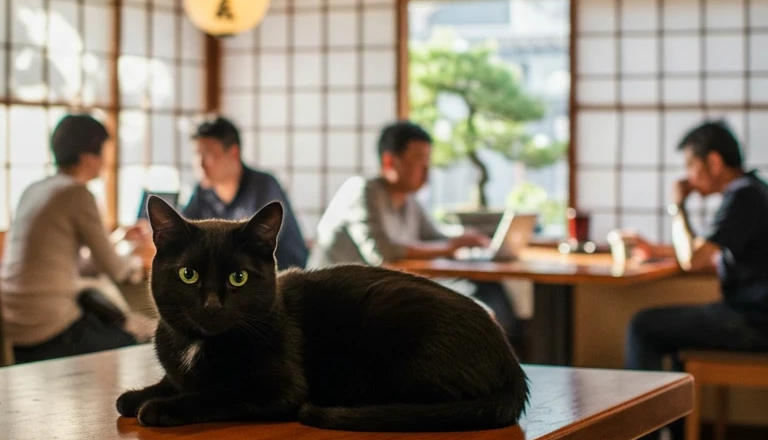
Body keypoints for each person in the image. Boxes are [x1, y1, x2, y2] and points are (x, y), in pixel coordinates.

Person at [618, 120, 768, 440]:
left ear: (714, 162)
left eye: (691, 164)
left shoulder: (744, 197)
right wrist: (656, 250)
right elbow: (705, 252)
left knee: (643, 326)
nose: (688, 176)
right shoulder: (755, 190)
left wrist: (677, 205)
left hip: (757, 325)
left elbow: (694, 258)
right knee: (672, 334)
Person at [308, 120, 519, 342]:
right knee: (476, 309)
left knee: (488, 292)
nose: (427, 173)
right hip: (339, 300)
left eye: (429, 163)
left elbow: (434, 236)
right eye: (420, 163)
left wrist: (464, 237)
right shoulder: (363, 191)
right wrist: (451, 246)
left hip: (381, 292)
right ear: (390, 161)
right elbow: (383, 253)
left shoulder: (407, 199)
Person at [0, 114, 148, 364]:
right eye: (103, 152)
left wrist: (121, 238)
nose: (105, 160)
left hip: (15, 329)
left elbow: (79, 265)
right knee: (138, 346)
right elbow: (116, 270)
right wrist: (138, 257)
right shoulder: (77, 193)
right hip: (51, 330)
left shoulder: (35, 189)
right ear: (88, 156)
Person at [181, 116, 309, 270]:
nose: (200, 164)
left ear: (234, 153)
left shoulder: (263, 186)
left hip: (282, 279)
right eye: (196, 155)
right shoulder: (202, 192)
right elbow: (185, 236)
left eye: (208, 155)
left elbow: (254, 246)